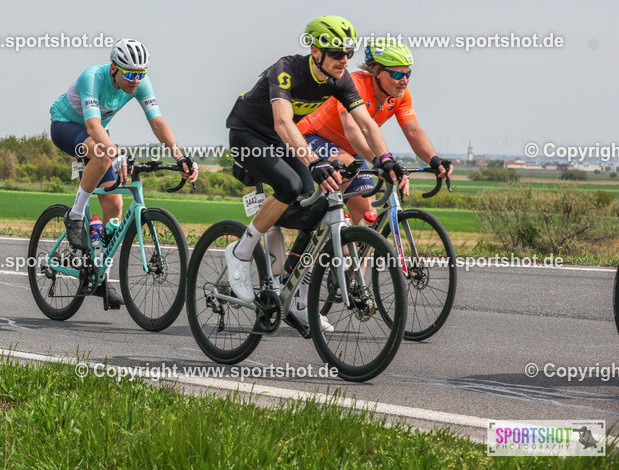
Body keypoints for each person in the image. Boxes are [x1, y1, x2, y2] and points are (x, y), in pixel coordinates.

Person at [223, 17, 408, 334]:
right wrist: (312, 161)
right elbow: (283, 123)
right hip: (248, 135)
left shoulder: (340, 79)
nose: (344, 60)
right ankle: (240, 253)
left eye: (348, 53)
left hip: (281, 143)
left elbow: (365, 122)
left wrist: (385, 159)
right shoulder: (286, 69)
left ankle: (297, 297)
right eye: (337, 53)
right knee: (291, 184)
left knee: (318, 204)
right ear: (315, 51)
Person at [49, 38, 198, 309]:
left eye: (140, 75)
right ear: (114, 68)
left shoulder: (139, 83)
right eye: (130, 74)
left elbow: (157, 121)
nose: (135, 80)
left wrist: (179, 154)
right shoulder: (92, 77)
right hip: (66, 126)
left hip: (97, 134)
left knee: (115, 207)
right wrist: (115, 153)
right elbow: (93, 125)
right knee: (105, 153)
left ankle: (100, 277)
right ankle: (75, 215)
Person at [297, 38, 452, 223]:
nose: (404, 81)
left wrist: (434, 159)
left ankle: (348, 247)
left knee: (366, 217)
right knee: (347, 164)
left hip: (352, 149)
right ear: (376, 71)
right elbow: (353, 130)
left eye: (408, 74)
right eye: (396, 75)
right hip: (312, 135)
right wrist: (381, 161)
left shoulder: (400, 95)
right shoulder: (354, 84)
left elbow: (413, 131)